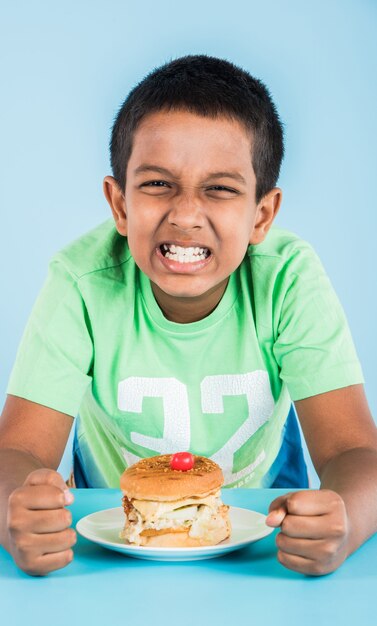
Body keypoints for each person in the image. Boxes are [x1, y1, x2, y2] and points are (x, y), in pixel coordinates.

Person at [0, 55, 376, 577]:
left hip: (262, 518)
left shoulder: (288, 280)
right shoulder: (80, 282)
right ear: (120, 204)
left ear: (261, 216)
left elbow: (356, 450)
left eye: (220, 189)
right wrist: (17, 506)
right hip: (113, 525)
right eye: (157, 184)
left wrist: (345, 525)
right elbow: (17, 449)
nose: (184, 215)